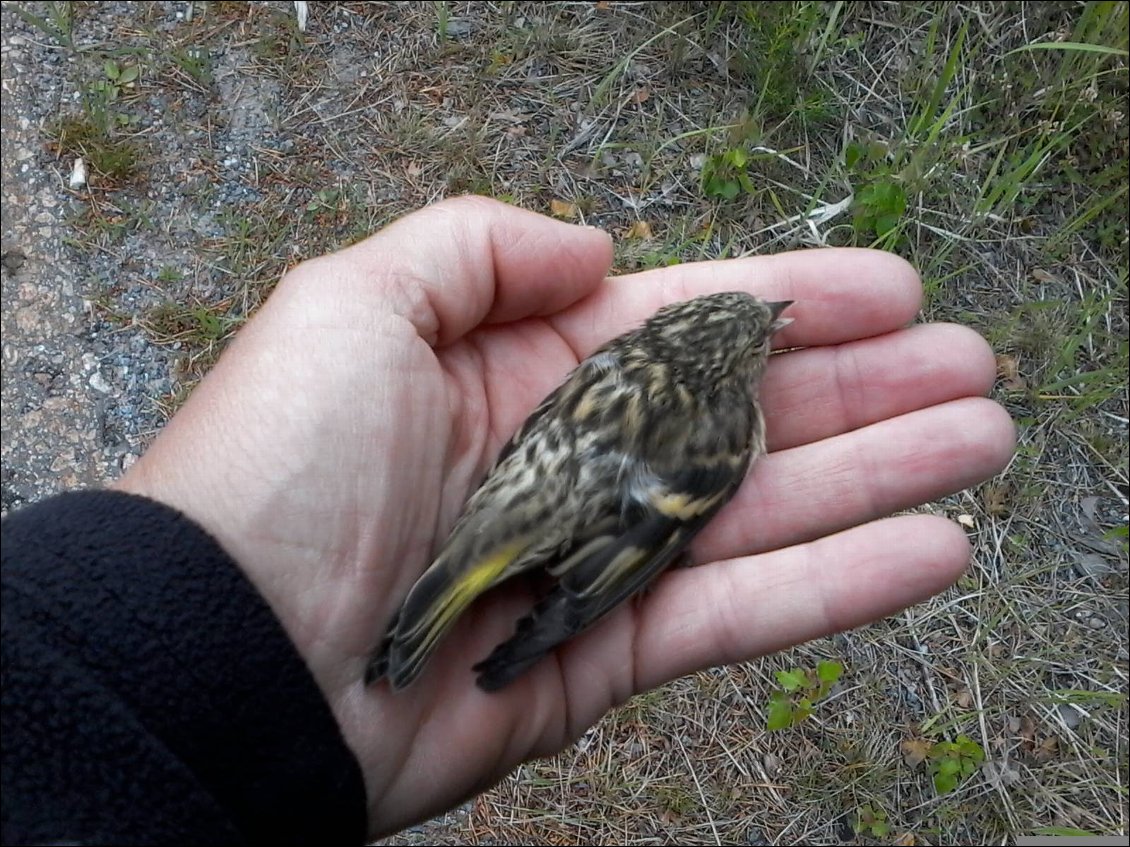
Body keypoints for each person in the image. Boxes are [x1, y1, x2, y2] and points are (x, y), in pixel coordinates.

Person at [1, 197, 1016, 845]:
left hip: (518, 486)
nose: (768, 344)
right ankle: (433, 612)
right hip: (569, 526)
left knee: (468, 563)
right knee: (505, 561)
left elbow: (549, 434)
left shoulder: (620, 359)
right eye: (760, 341)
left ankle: (426, 611)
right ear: (733, 364)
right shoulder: (722, 427)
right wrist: (563, 615)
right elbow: (644, 540)